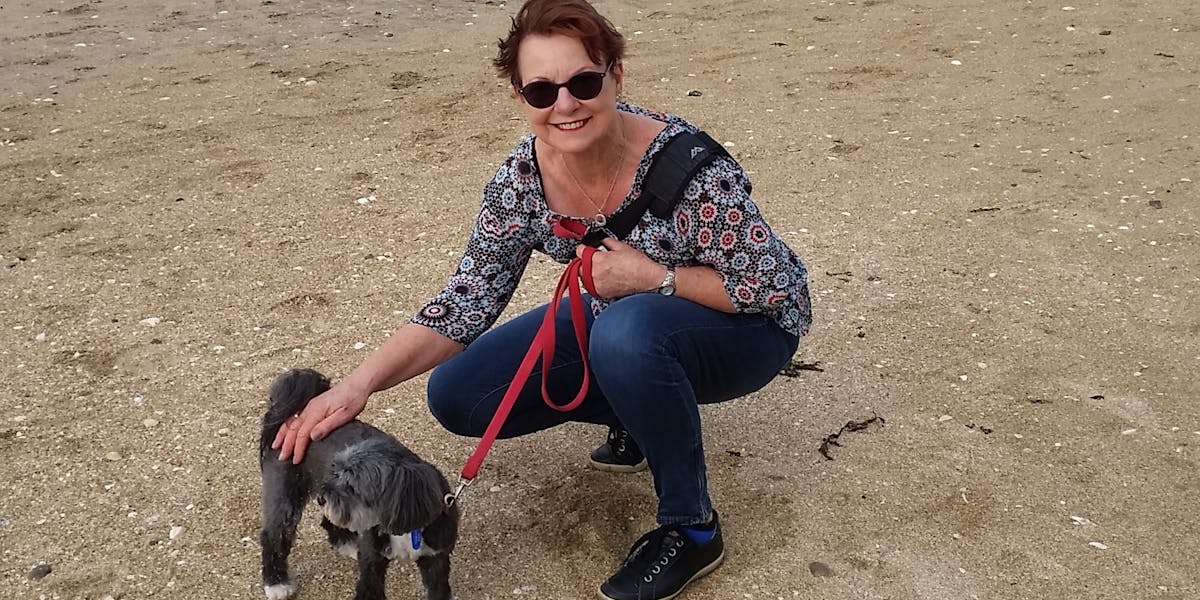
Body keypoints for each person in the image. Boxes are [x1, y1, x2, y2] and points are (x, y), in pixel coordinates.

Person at [273, 0, 811, 598]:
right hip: (626, 316)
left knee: (627, 335)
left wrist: (655, 277)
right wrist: (356, 386)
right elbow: (466, 299)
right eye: (541, 90)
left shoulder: (691, 172)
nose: (565, 105)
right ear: (519, 96)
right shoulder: (521, 183)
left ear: (616, 76)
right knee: (458, 394)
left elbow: (776, 288)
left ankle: (692, 528)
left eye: (584, 81)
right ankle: (635, 411)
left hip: (746, 329)